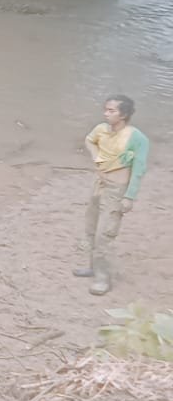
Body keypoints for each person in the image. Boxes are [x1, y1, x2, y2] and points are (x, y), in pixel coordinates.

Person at [76, 94, 150, 296]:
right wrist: (96, 156)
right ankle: (92, 267)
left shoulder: (137, 138)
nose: (106, 114)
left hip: (117, 190)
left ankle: (102, 278)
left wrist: (129, 196)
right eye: (105, 110)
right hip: (99, 184)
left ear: (124, 115)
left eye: (111, 111)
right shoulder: (101, 130)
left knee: (104, 234)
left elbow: (139, 168)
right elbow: (89, 141)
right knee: (91, 228)